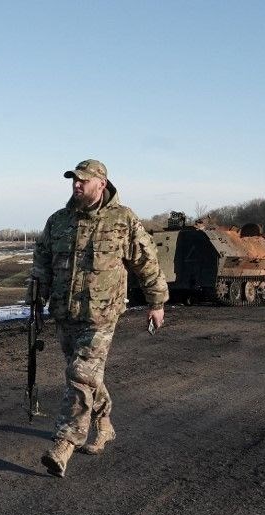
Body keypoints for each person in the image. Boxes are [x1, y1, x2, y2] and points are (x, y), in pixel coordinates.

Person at [30, 159, 169, 478]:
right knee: (85, 375)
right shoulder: (59, 221)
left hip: (102, 315)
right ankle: (104, 425)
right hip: (66, 312)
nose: (76, 185)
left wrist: (156, 301)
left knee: (81, 374)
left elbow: (146, 262)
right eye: (73, 180)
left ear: (101, 184)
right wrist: (37, 296)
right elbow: (42, 260)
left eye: (83, 180)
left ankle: (65, 443)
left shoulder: (123, 220)